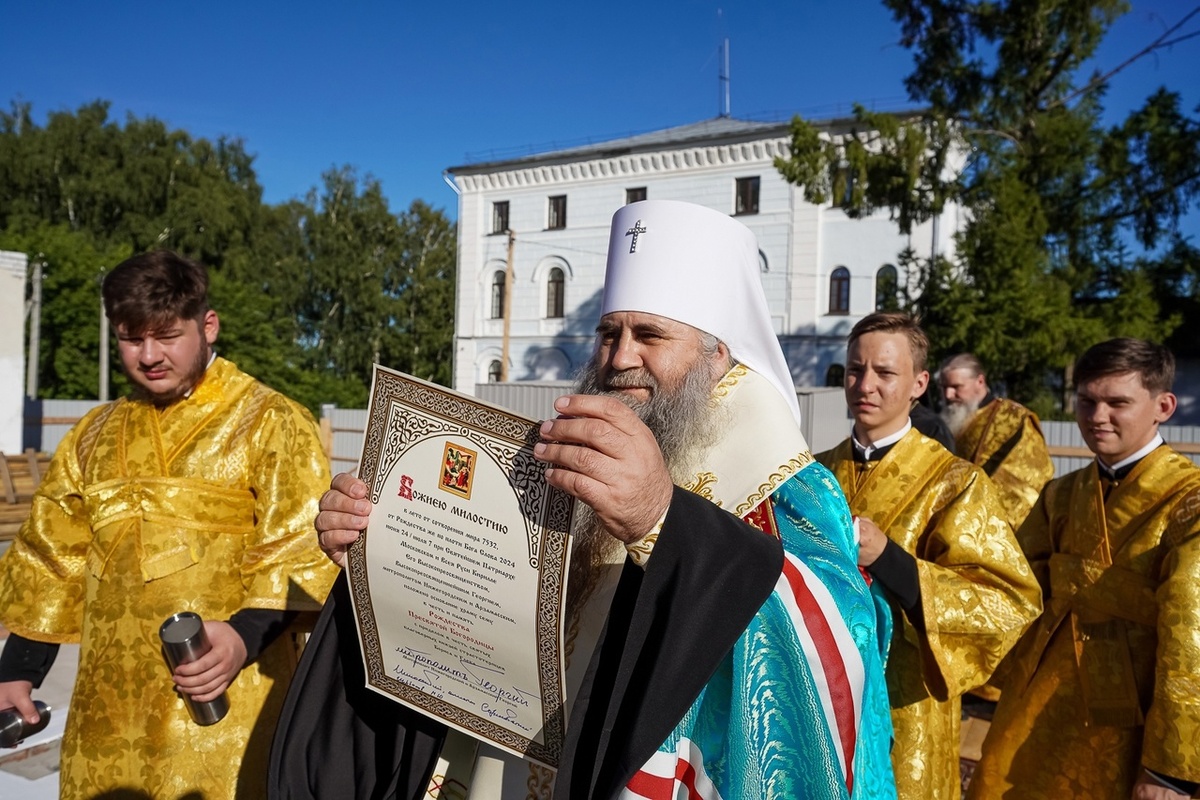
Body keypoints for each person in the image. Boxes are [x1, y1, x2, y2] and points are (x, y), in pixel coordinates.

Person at [275, 200, 897, 800]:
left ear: (718, 357)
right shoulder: (574, 453)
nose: (620, 358)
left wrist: (664, 522)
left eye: (650, 335)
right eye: (609, 333)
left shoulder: (789, 484)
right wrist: (382, 552)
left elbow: (838, 656)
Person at [0, 251, 338, 799]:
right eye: (132, 339)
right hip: (107, 713)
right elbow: (51, 557)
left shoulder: (269, 421)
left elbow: (298, 553)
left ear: (208, 326)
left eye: (166, 336)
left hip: (226, 700)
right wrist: (17, 670)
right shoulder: (93, 435)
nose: (150, 356)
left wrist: (242, 639)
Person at [816, 312, 1042, 800]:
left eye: (885, 372)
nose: (865, 385)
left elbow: (1006, 602)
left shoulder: (956, 482)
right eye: (855, 370)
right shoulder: (813, 473)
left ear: (919, 383)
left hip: (907, 703)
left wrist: (889, 559)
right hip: (818, 693)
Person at [969, 338, 1200, 800]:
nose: (1097, 416)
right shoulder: (1061, 494)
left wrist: (1170, 768)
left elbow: (1190, 634)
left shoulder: (1188, 502)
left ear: (1163, 406)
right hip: (1037, 704)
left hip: (1134, 717)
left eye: (1118, 403)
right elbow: (1012, 592)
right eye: (1087, 401)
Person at [939, 353, 1054, 529]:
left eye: (956, 387)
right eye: (944, 387)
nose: (948, 394)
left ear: (980, 381)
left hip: (994, 527)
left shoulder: (1013, 419)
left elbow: (1026, 482)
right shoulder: (949, 420)